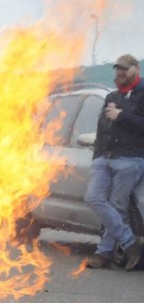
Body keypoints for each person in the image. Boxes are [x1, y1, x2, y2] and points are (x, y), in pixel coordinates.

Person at [85, 54, 144, 270]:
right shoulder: (112, 96)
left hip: (131, 159)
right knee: (93, 197)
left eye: (125, 68)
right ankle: (129, 242)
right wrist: (97, 158)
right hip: (105, 158)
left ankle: (103, 254)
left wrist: (121, 116)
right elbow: (102, 130)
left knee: (117, 206)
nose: (120, 72)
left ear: (136, 69)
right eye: (118, 68)